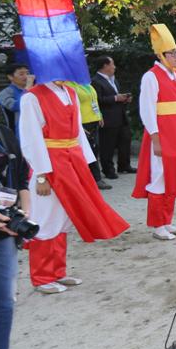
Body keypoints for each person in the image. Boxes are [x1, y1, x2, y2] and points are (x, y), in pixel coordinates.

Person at [19, 66, 129, 295]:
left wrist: (87, 165)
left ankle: (57, 271)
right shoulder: (32, 97)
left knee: (62, 218)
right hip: (48, 164)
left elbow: (77, 131)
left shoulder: (70, 93)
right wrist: (40, 174)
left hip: (71, 162)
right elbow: (31, 138)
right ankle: (41, 276)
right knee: (45, 218)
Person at [0, 70, 37, 349]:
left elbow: (18, 170)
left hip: (1, 231)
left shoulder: (0, 131)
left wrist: (25, 197)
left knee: (2, 304)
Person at [132, 25, 176, 242]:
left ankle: (167, 220)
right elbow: (146, 108)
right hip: (162, 133)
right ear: (161, 55)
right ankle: (157, 224)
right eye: (172, 53)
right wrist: (155, 137)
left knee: (172, 176)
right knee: (159, 178)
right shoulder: (151, 77)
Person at [92, 56, 135, 179]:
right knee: (108, 145)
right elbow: (98, 100)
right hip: (108, 118)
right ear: (105, 66)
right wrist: (116, 98)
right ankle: (108, 169)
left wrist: (124, 99)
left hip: (120, 116)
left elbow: (116, 96)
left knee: (125, 139)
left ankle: (124, 165)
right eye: (112, 64)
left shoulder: (113, 80)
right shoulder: (96, 81)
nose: (114, 67)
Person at [64, 80, 111, 190]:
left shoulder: (86, 83)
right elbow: (72, 106)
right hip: (83, 123)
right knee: (87, 151)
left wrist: (99, 114)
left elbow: (94, 100)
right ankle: (94, 179)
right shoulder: (68, 85)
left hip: (93, 120)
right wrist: (78, 124)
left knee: (95, 150)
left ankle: (94, 178)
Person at [0, 63, 31, 130]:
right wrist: (27, 88)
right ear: (10, 77)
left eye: (28, 73)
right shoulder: (5, 93)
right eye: (21, 74)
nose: (26, 76)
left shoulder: (35, 89)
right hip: (18, 131)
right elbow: (15, 106)